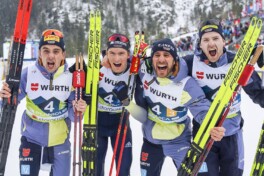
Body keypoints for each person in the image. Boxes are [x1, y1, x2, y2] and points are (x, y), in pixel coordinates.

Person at [112, 38, 225, 176]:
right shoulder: (144, 72)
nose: (161, 60)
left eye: (166, 55)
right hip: (151, 142)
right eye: (157, 55)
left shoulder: (186, 84)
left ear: (174, 59)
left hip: (179, 141)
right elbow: (121, 61)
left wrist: (213, 125)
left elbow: (202, 109)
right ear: (151, 59)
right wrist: (105, 61)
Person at [0, 29, 87, 176]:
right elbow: (10, 105)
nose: (51, 55)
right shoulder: (28, 74)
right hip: (31, 139)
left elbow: (75, 117)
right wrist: (5, 97)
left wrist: (80, 109)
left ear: (63, 54)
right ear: (39, 53)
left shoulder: (70, 77)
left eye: (56, 51)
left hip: (60, 141)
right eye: (46, 50)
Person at [183, 19, 264, 176]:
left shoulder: (237, 62)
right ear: (199, 45)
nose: (211, 43)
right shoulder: (190, 64)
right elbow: (167, 73)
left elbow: (259, 94)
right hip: (204, 134)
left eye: (215, 38)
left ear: (223, 41)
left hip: (231, 134)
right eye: (205, 40)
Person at [96, 33, 134, 176]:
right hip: (98, 125)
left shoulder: (135, 71)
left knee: (123, 171)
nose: (116, 58)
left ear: (128, 55)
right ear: (106, 53)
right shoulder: (98, 68)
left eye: (121, 53)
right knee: (95, 171)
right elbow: (72, 73)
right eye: (112, 53)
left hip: (121, 125)